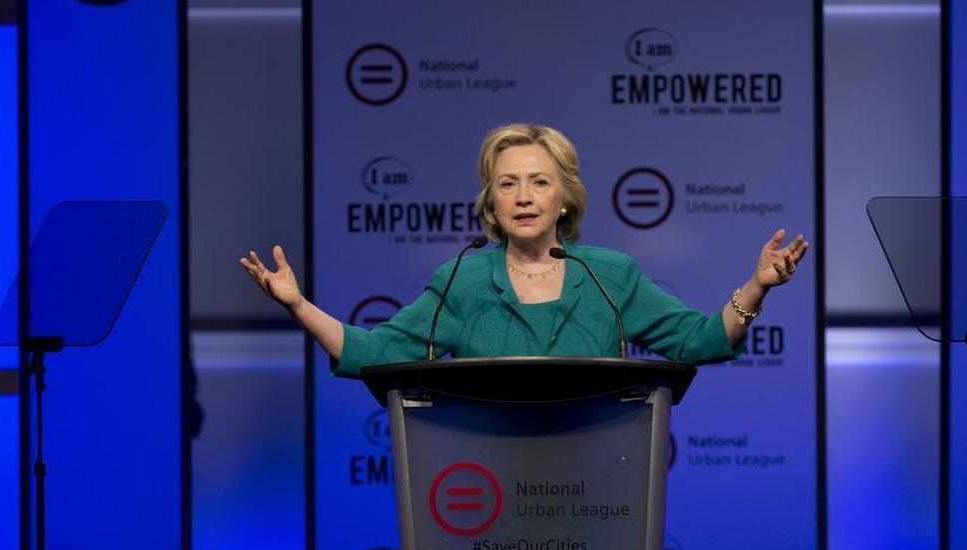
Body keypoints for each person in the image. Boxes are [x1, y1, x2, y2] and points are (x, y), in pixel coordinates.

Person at [240, 123, 808, 377]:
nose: (523, 197)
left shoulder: (610, 274)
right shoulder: (461, 280)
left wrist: (757, 285)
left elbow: (697, 341)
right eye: (507, 184)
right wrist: (298, 305)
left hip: (600, 480)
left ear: (564, 198)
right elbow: (376, 351)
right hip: (487, 484)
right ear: (491, 202)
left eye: (539, 182)